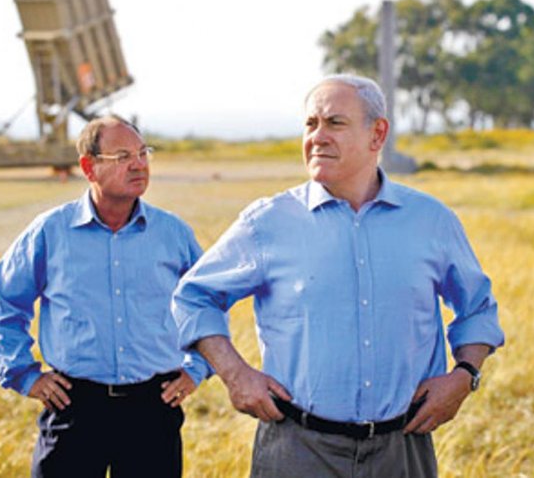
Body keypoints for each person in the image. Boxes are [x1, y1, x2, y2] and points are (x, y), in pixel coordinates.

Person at [172, 74, 504, 477]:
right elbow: (194, 296)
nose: (318, 136)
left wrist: (464, 376)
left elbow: (478, 308)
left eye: (335, 123)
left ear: (377, 134)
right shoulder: (268, 222)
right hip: (297, 449)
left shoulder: (431, 221)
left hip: (403, 449)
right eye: (310, 124)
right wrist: (235, 374)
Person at [0, 115, 210, 478]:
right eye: (122, 157)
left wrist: (197, 368)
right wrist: (25, 375)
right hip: (74, 408)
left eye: (143, 153)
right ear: (90, 167)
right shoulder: (50, 232)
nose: (139, 164)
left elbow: (207, 303)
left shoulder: (173, 233)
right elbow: (2, 305)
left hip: (153, 409)